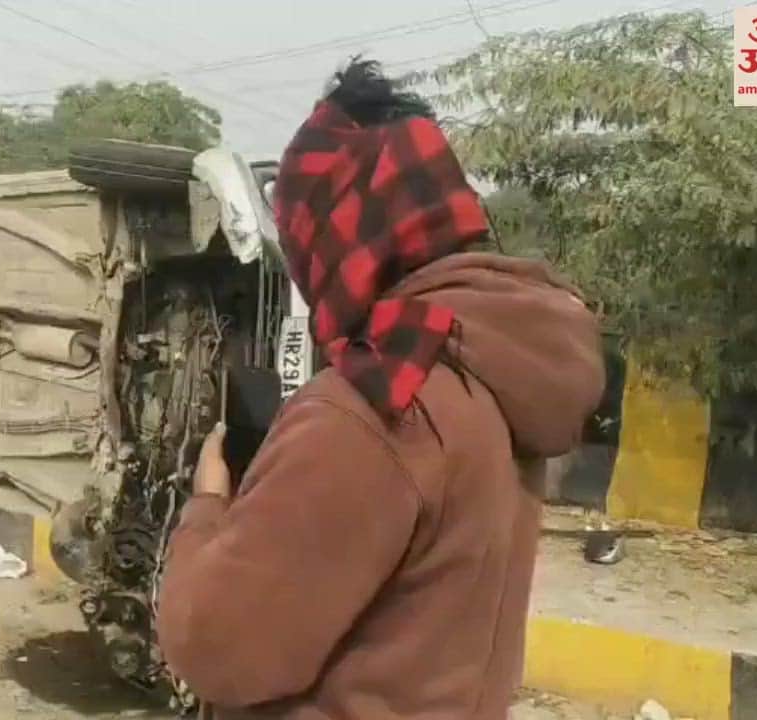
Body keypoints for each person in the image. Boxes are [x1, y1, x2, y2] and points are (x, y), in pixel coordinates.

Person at [154, 60, 605, 720]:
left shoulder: (374, 405)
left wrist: (208, 505)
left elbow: (218, 647)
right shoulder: (494, 367)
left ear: (331, 238)